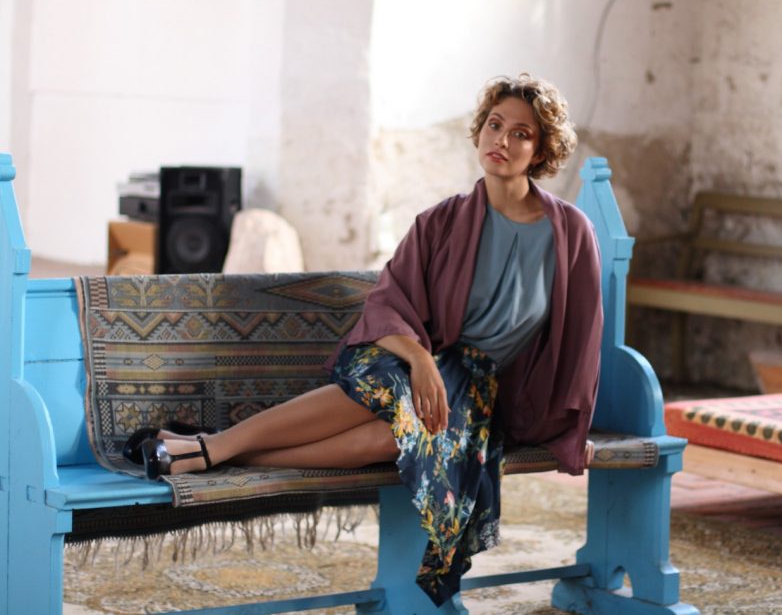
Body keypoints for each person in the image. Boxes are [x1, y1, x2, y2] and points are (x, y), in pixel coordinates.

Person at [127, 73, 603, 605]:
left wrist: (571, 428)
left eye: (521, 134)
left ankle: (221, 452)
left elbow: (581, 340)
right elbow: (388, 301)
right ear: (479, 131)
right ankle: (210, 448)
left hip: (478, 390)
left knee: (393, 442)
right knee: (387, 391)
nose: (502, 141)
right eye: (495, 125)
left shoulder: (570, 233)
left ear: (541, 150)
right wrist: (420, 359)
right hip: (413, 360)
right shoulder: (441, 221)